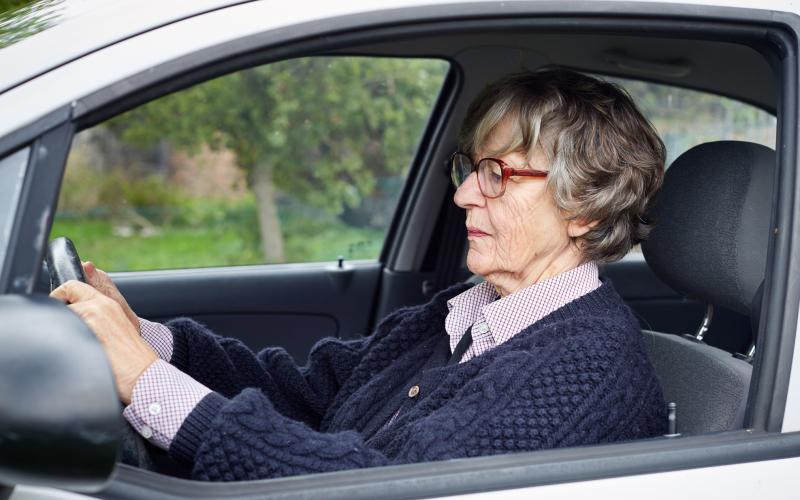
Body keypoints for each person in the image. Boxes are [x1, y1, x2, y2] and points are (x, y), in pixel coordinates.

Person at [51, 68, 668, 482]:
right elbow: (310, 392)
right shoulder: (463, 311)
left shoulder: (587, 373)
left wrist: (147, 382)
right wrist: (145, 339)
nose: (463, 198)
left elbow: (379, 489)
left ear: (584, 209)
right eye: (470, 169)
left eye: (499, 175)